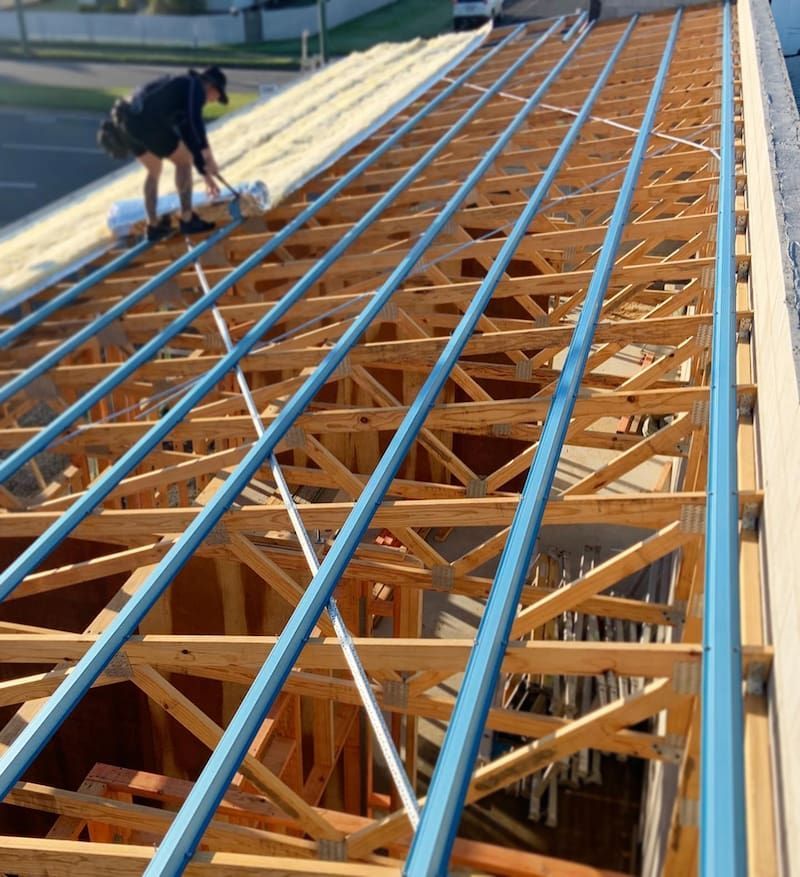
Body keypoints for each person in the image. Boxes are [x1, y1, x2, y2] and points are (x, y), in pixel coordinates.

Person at [112, 66, 228, 242]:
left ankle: (153, 226)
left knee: (154, 169)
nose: (213, 101)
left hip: (127, 120)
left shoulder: (180, 88)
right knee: (183, 161)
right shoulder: (194, 87)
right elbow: (195, 123)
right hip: (146, 119)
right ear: (211, 86)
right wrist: (208, 158)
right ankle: (187, 219)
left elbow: (189, 135)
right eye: (217, 96)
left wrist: (205, 174)